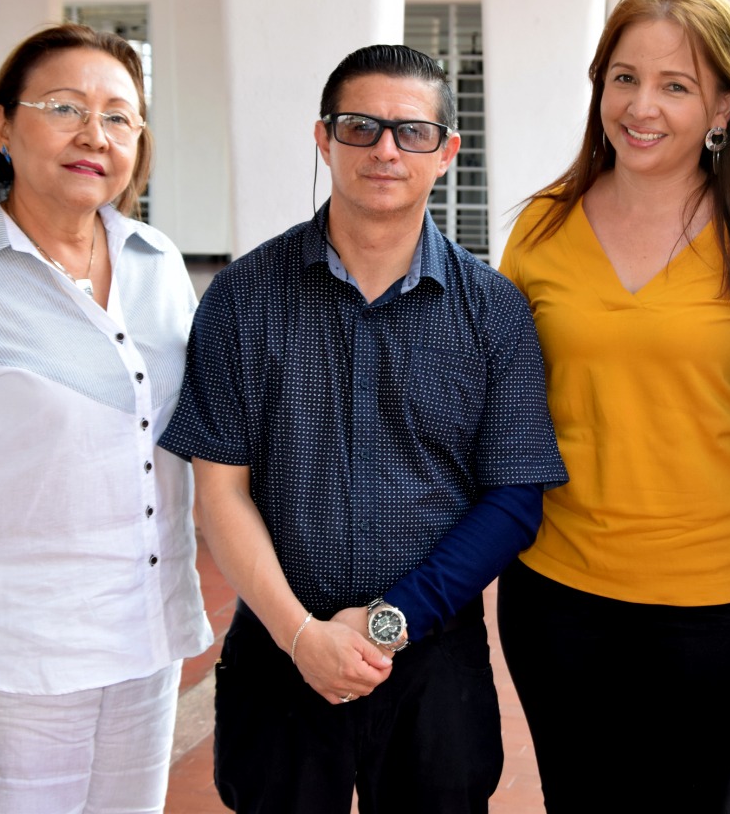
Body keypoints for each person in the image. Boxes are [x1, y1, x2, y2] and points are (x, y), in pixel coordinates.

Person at [158, 43, 568, 814]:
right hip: (281, 645)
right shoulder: (244, 297)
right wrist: (302, 634)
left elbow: (514, 501)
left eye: (411, 132)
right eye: (360, 127)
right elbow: (220, 492)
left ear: (446, 152)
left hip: (432, 655)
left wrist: (388, 623)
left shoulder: (494, 311)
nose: (385, 148)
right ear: (324, 139)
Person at [0, 23, 213, 814]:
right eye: (66, 108)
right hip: (17, 661)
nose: (96, 134)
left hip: (145, 643)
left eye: (119, 116)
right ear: (2, 127)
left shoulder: (158, 266)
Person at [497, 0, 730, 812]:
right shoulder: (544, 224)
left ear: (723, 107)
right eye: (624, 77)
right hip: (560, 595)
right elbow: (502, 401)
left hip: (721, 602)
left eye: (676, 84)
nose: (641, 106)